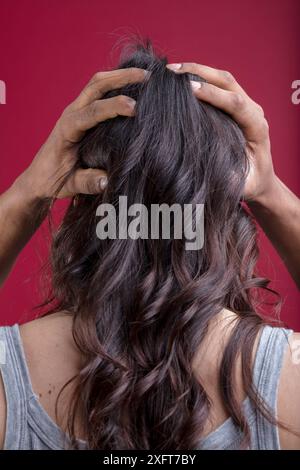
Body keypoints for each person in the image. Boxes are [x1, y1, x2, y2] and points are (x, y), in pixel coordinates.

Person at [0, 43, 299, 450]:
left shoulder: (8, 376)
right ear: (221, 207)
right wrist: (271, 193)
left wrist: (26, 194)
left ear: (90, 200)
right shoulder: (286, 381)